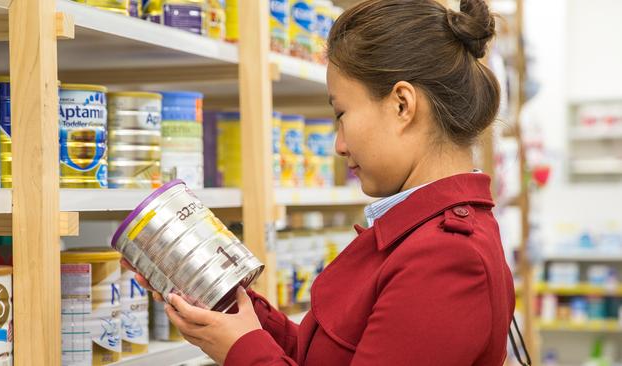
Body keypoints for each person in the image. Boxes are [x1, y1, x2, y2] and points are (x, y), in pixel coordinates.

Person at [122, 0, 518, 364]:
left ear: (402, 105)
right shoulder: (421, 237)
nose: (339, 145)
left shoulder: (447, 257)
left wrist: (242, 351)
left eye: (341, 113)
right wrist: (225, 301)